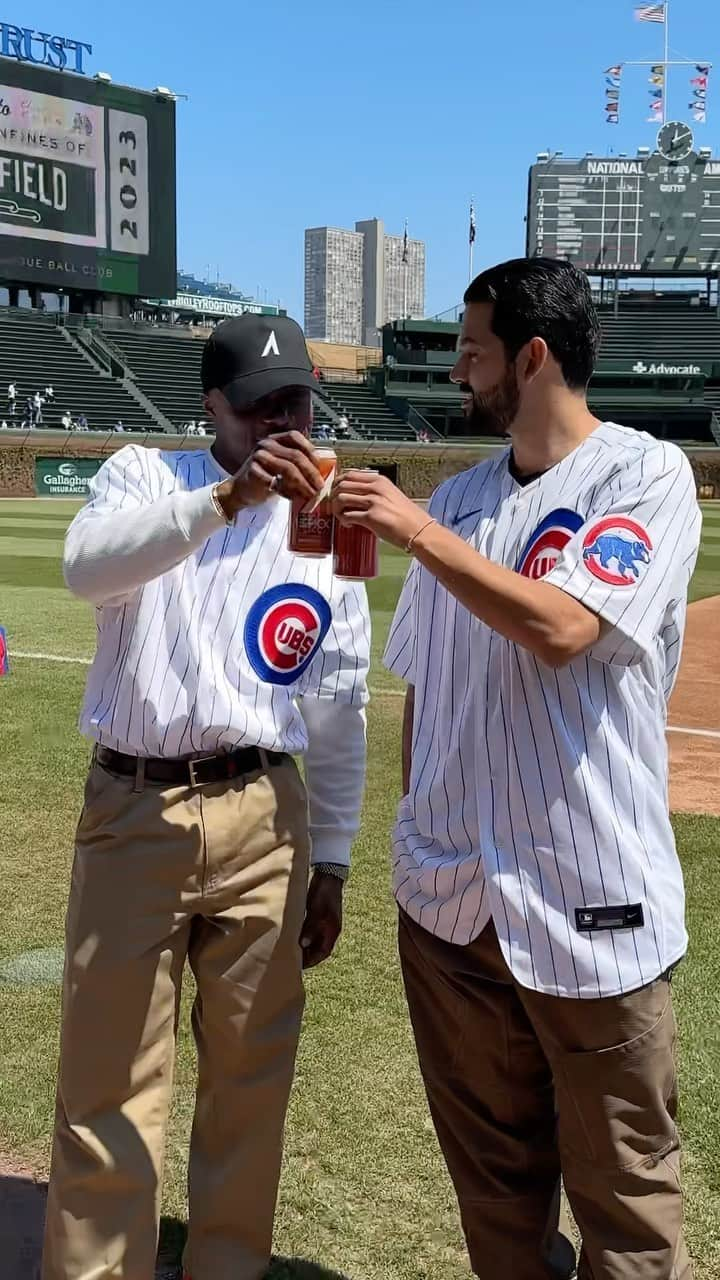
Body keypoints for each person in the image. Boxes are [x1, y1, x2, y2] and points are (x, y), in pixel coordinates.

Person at [333, 257, 700, 1280]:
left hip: (591, 910)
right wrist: (413, 845)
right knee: (497, 1206)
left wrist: (412, 529)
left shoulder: (644, 475)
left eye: (473, 351)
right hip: (452, 913)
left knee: (627, 1210)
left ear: (532, 357)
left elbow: (563, 625)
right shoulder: (458, 496)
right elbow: (422, 688)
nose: (457, 372)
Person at [43, 313, 370, 1280]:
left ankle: (227, 1266)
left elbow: (340, 704)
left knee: (250, 1082)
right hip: (136, 808)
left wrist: (336, 860)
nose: (285, 422)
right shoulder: (147, 473)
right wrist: (228, 499)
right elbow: (87, 568)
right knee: (110, 1083)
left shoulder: (327, 518)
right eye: (263, 403)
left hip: (266, 815)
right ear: (213, 407)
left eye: (298, 400)